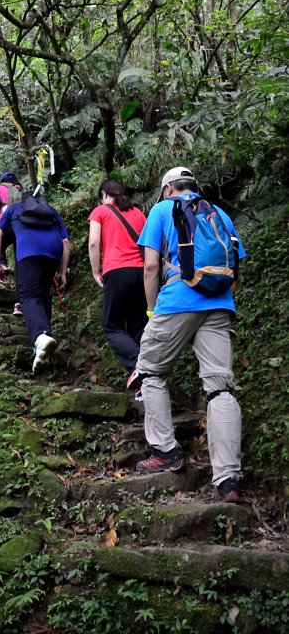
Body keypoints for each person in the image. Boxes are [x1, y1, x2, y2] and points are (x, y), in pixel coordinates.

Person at [132, 166, 246, 504]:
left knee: (150, 371)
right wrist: (222, 301)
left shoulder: (162, 209)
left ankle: (166, 451)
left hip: (177, 301)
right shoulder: (220, 213)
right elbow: (235, 267)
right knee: (220, 386)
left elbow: (151, 266)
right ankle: (228, 480)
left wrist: (153, 310)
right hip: (220, 304)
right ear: (194, 186)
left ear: (168, 188)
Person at [0, 191, 69, 374]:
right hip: (53, 252)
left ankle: (41, 336)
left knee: (28, 295)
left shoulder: (13, 209)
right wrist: (63, 272)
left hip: (29, 251)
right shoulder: (51, 211)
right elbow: (65, 241)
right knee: (43, 296)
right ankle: (43, 348)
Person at [88, 179, 147, 383]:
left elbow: (94, 242)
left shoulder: (100, 212)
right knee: (138, 328)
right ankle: (144, 385)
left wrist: (96, 272)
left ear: (104, 195)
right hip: (143, 273)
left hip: (117, 271)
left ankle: (140, 365)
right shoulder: (138, 213)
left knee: (111, 326)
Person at [0, 172, 22, 316]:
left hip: (5, 225)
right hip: (23, 228)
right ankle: (18, 304)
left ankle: (2, 264)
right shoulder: (23, 190)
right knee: (20, 264)